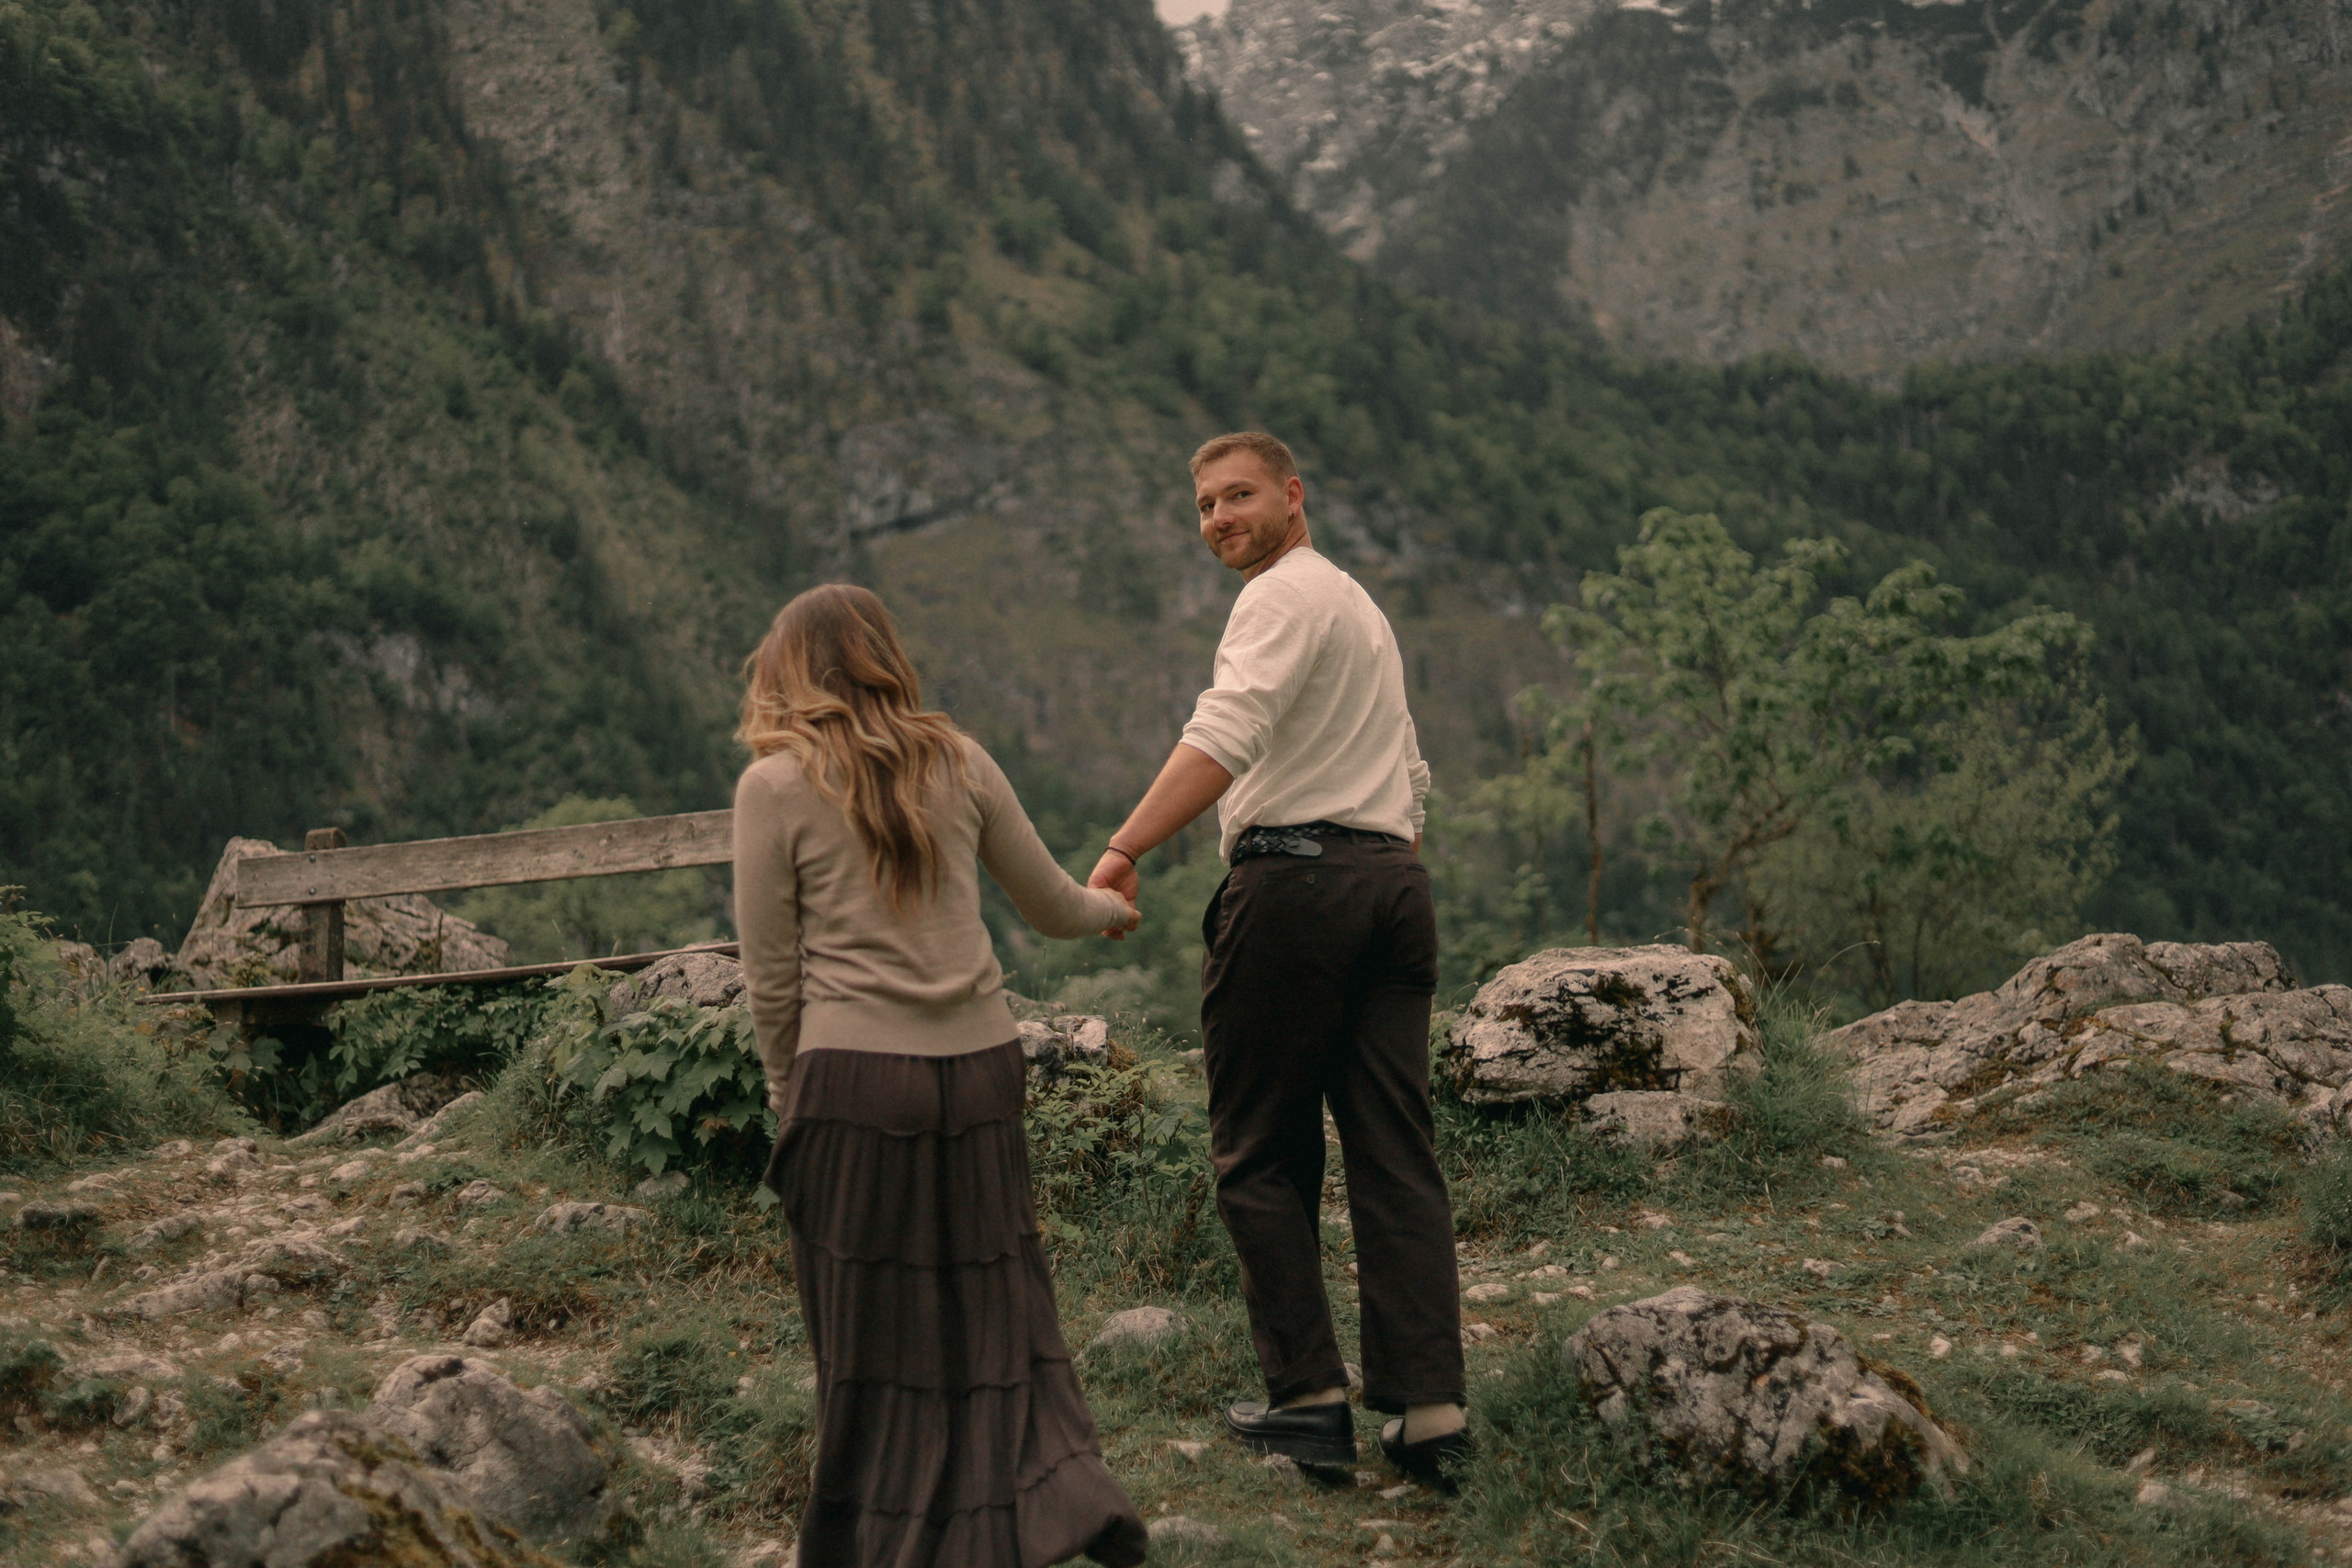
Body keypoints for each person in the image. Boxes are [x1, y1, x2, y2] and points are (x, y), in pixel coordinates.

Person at [733, 583, 1149, 1568]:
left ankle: (879, 1539)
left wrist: (787, 1101)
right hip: (979, 1073)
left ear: (788, 668)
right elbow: (1050, 903)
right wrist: (1110, 910)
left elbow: (771, 976)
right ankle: (1056, 1507)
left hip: (855, 1086)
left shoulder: (775, 786)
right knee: (997, 1305)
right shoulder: (959, 761)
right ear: (885, 656)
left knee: (867, 1328)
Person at [1086, 432, 1472, 1486]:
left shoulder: (1277, 598)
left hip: (1293, 885)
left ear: (1293, 495)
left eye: (1239, 495)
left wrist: (1125, 849)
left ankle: (1308, 1398)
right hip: (1393, 885)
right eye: (1205, 504)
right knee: (1395, 1147)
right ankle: (1431, 1415)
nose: (1219, 517)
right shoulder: (1357, 607)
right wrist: (1384, 868)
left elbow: (1228, 729)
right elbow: (1407, 764)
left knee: (1259, 1145)